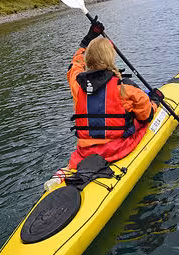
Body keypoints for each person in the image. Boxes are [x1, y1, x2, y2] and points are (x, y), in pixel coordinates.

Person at [63, 20, 160, 171]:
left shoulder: (77, 85)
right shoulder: (125, 88)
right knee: (139, 121)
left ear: (88, 59)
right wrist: (155, 100)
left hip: (85, 153)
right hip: (118, 149)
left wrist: (88, 39)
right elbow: (146, 115)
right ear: (110, 58)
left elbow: (75, 64)